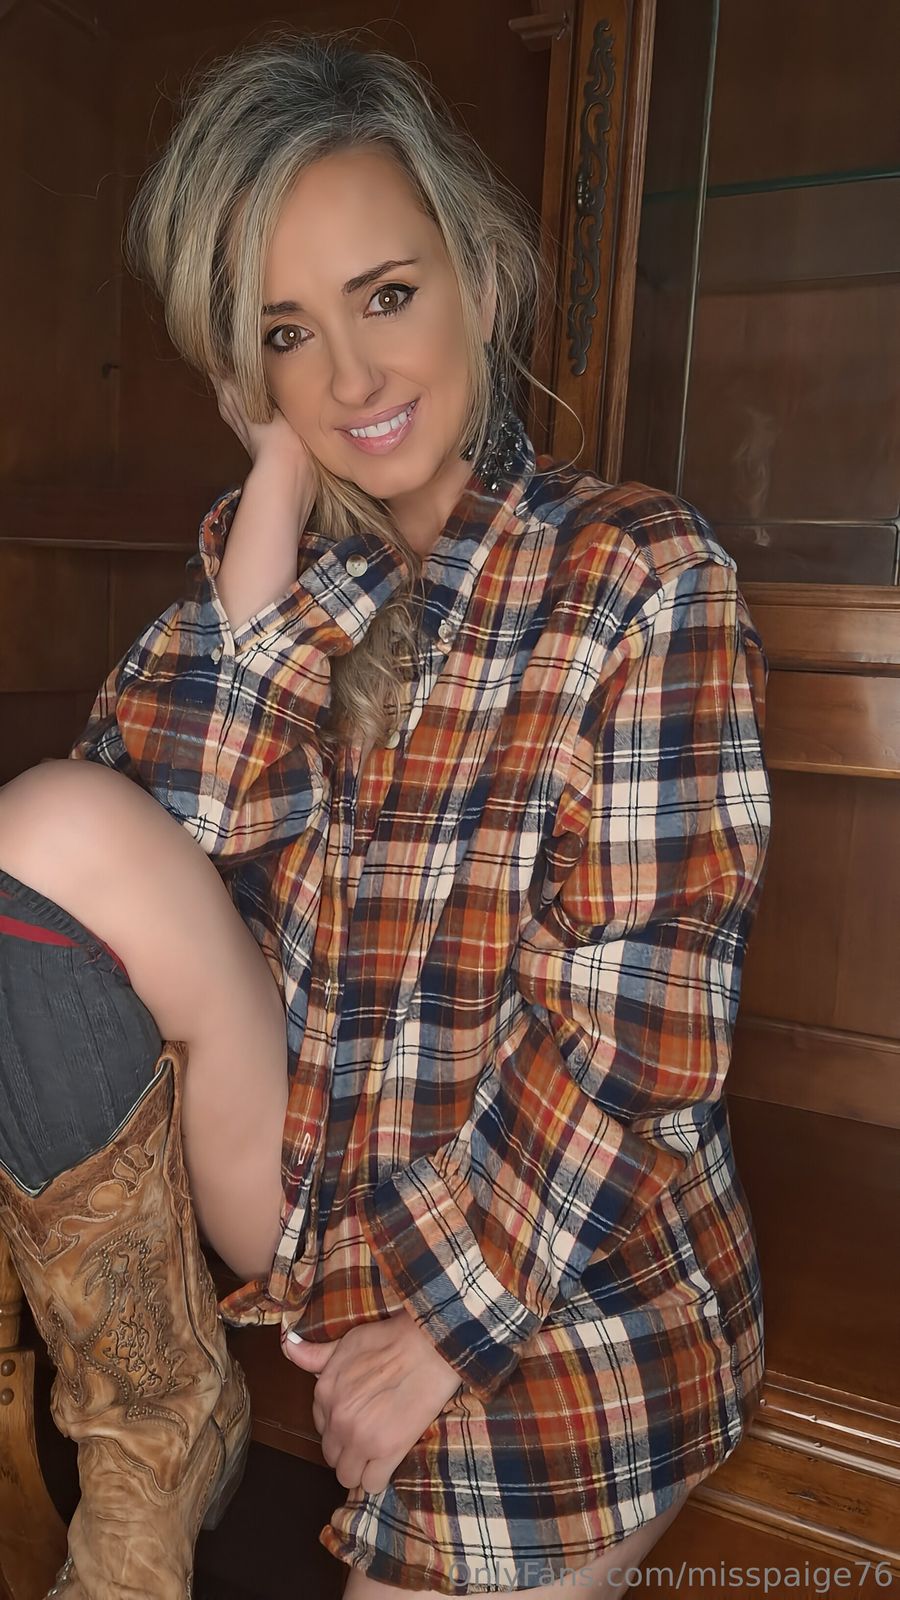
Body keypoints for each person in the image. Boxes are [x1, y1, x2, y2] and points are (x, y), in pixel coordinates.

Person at [0, 29, 772, 1600]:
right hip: (315, 1198)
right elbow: (138, 869)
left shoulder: (640, 574)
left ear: (476, 281)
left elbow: (637, 1035)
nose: (351, 378)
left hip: (566, 1257)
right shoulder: (290, 588)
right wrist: (275, 511)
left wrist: (444, 1328)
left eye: (388, 296)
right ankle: (159, 1422)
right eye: (290, 332)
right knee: (46, 825)